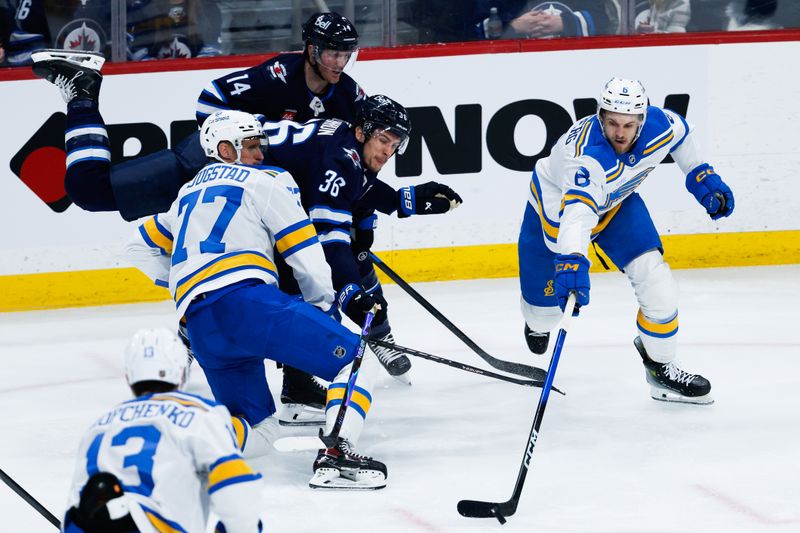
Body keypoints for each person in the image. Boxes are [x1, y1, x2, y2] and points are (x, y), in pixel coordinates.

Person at [28, 12, 408, 420]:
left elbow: (351, 168)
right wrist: (260, 141)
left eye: (345, 54)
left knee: (292, 266)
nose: (338, 62)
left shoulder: (351, 97)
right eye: (331, 52)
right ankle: (83, 94)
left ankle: (295, 382)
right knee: (89, 189)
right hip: (212, 161)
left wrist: (374, 214)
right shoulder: (278, 74)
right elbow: (208, 102)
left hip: (263, 188)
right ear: (311, 48)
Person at [125, 109, 389, 490]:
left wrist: (182, 284)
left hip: (199, 325)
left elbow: (135, 247)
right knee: (359, 362)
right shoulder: (265, 183)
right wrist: (323, 309)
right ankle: (337, 455)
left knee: (259, 431)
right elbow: (307, 254)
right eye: (250, 146)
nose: (260, 154)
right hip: (250, 305)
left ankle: (180, 447)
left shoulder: (185, 195)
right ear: (224, 149)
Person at [518, 77, 735, 405]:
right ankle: (535, 323)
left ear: (642, 121)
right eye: (612, 123)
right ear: (600, 117)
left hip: (617, 205)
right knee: (544, 316)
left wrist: (701, 176)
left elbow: (683, 136)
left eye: (629, 125)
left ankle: (661, 369)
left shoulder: (660, 124)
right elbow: (576, 218)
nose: (620, 133)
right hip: (555, 212)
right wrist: (572, 262)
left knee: (657, 281)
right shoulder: (585, 157)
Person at [62, 328, 264, 532]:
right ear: (182, 373)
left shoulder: (98, 428)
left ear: (129, 377)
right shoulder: (202, 414)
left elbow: (75, 511)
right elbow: (237, 490)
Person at [474, 1, 616, 39]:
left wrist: (565, 23)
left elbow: (604, 22)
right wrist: (513, 27)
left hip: (575, 67)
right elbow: (471, 32)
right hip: (515, 72)